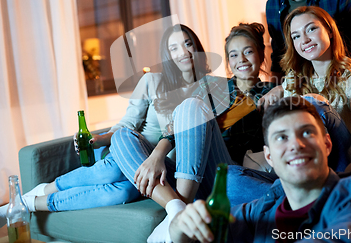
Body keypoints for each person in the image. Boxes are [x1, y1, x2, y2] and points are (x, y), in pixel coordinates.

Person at [0, 24, 208, 233]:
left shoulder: (211, 89)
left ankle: (30, 201)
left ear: (197, 47)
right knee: (117, 170)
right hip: (131, 150)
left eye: (188, 44)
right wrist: (100, 139)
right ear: (167, 55)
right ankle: (36, 197)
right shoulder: (152, 82)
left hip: (166, 168)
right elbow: (127, 125)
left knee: (125, 190)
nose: (183, 52)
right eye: (174, 48)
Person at [109, 22, 280, 242]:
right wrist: (157, 156)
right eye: (234, 55)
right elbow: (179, 126)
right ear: (228, 61)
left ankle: (178, 213)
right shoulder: (216, 85)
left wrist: (282, 90)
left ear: (261, 55)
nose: (242, 60)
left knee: (193, 108)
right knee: (122, 137)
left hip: (224, 169)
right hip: (190, 171)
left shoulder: (273, 93)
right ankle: (178, 211)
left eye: (248, 52)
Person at [169, 97, 351, 243]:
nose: (295, 144)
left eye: (306, 132)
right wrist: (181, 225)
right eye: (281, 137)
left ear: (326, 144)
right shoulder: (258, 211)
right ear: (269, 157)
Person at [279, 6, 351, 169]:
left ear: (330, 31)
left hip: (340, 160)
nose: (304, 40)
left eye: (311, 29)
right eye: (296, 36)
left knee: (313, 103)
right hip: (301, 160)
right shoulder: (292, 79)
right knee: (232, 177)